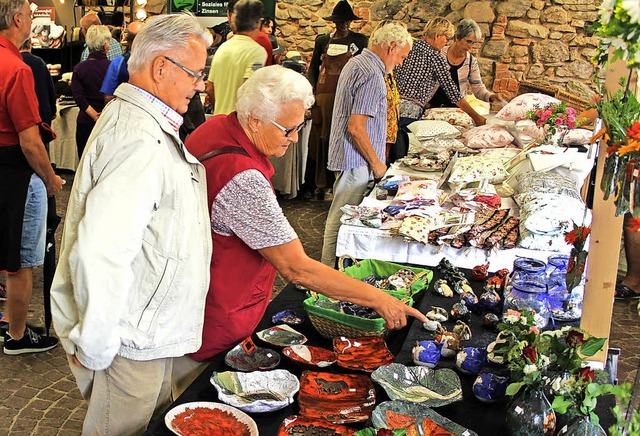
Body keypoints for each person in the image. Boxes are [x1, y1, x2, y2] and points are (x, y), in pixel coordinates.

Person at [175, 64, 426, 393]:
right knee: (202, 396)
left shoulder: (217, 125)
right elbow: (297, 268)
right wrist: (378, 299)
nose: (294, 139)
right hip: (216, 316)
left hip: (194, 299)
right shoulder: (243, 178)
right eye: (288, 130)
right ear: (254, 119)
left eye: (299, 127)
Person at [50, 13, 213, 434]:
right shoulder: (139, 137)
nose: (200, 84)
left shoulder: (145, 124)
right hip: (129, 339)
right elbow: (102, 250)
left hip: (144, 332)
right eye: (196, 73)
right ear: (162, 67)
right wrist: (98, 344)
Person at [0, 0, 64, 354]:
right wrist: (51, 178)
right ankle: (18, 335)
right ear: (19, 20)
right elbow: (30, 141)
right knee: (21, 260)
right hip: (16, 172)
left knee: (7, 251)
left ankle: (9, 323)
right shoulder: (17, 67)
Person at [320, 21, 412, 267]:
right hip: (356, 158)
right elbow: (356, 127)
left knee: (342, 216)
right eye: (402, 56)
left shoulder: (357, 62)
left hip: (349, 155)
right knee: (341, 218)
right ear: (392, 47)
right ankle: (328, 272)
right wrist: (378, 165)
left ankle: (331, 270)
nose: (401, 62)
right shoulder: (372, 72)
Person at [305, 0, 368, 198]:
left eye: (347, 21)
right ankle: (317, 184)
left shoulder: (360, 41)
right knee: (319, 140)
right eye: (340, 22)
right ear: (334, 22)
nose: (344, 25)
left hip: (346, 97)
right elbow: (314, 68)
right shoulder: (322, 40)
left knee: (341, 138)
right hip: (323, 97)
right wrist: (312, 95)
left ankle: (338, 183)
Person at [395, 17, 487, 128]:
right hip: (410, 114)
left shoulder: (408, 48)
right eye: (447, 38)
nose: (447, 42)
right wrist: (477, 117)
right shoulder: (436, 58)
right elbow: (453, 92)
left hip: (392, 107)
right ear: (437, 35)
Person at [205, 0, 268, 115]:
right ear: (258, 22)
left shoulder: (222, 48)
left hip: (219, 119)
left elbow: (210, 88)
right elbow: (249, 90)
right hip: (238, 122)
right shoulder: (257, 52)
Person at [432, 19, 506, 108]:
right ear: (457, 38)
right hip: (431, 106)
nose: (470, 46)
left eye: (473, 43)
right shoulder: (438, 54)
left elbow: (478, 89)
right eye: (468, 41)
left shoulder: (471, 61)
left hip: (456, 109)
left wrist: (492, 97)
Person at [71, 24, 111, 159]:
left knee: (84, 163)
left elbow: (79, 97)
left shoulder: (79, 68)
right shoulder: (113, 68)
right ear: (105, 45)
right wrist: (101, 116)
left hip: (85, 123)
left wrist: (94, 115)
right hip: (108, 122)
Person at [19, 38, 56, 138]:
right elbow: (50, 87)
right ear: (31, 45)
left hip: (22, 117)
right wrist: (53, 110)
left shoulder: (15, 61)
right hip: (42, 115)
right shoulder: (40, 62)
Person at [100, 19, 144, 101]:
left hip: (124, 110)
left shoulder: (118, 62)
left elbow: (108, 96)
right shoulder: (157, 61)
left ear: (128, 41)